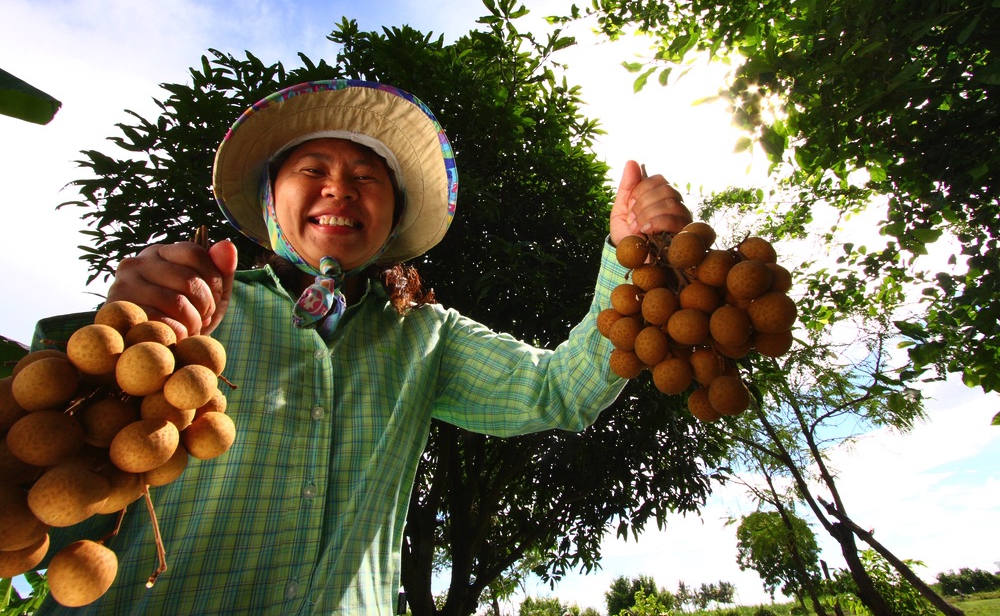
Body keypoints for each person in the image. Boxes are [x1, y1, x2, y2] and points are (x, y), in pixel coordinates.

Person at [29, 79, 692, 614]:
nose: (340, 187)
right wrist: (124, 337)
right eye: (312, 168)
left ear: (392, 221)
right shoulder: (197, 306)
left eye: (367, 178)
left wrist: (632, 264)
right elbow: (56, 474)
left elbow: (559, 389)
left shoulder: (427, 337)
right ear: (268, 204)